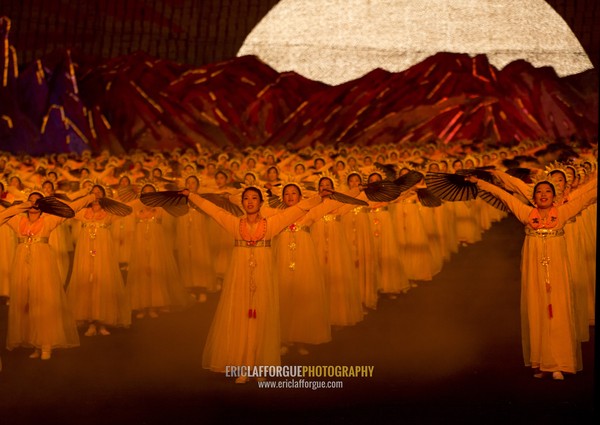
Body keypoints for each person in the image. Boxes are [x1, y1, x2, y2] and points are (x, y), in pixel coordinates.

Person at [185, 186, 324, 383]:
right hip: (240, 280)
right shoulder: (235, 224)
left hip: (263, 279)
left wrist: (319, 197)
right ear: (242, 203)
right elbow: (213, 210)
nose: (250, 201)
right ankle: (243, 366)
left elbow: (297, 209)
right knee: (241, 317)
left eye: (254, 198)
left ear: (260, 203)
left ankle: (259, 367)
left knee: (261, 318)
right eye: (246, 198)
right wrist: (190, 195)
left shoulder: (272, 223)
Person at [467, 174, 597, 380]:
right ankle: (542, 361)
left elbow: (589, 196)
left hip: (557, 272)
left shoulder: (563, 212)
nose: (543, 195)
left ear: (554, 196)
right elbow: (503, 194)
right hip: (534, 271)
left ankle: (560, 362)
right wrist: (480, 183)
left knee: (557, 311)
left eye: (547, 192)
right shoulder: (526, 213)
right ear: (533, 197)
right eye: (539, 192)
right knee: (537, 310)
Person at [3, 190, 97, 360]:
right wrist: (19, 207)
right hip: (22, 265)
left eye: (38, 201)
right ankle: (34, 341)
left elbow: (71, 208)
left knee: (43, 301)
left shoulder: (49, 220)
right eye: (31, 201)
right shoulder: (18, 220)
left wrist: (90, 197)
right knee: (26, 302)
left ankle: (46, 343)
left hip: (42, 265)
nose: (34, 204)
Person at [67, 185, 132, 337]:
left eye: (99, 193)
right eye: (93, 194)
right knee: (87, 281)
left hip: (102, 252)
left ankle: (102, 320)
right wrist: (85, 197)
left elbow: (127, 208)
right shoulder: (83, 213)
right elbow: (69, 208)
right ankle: (90, 321)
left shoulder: (109, 213)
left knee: (102, 280)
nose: (95, 196)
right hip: (85, 252)